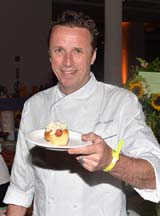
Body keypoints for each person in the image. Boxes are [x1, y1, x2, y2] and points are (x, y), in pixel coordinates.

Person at [4, 10, 160, 216]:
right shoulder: (34, 106)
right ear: (50, 56)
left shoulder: (120, 102)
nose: (67, 62)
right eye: (59, 50)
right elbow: (20, 188)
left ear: (93, 55)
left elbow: (154, 175)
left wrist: (110, 161)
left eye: (77, 51)